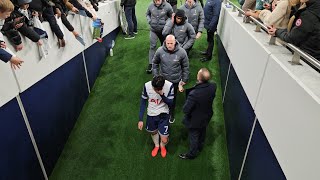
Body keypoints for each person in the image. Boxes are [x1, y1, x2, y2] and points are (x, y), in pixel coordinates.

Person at [179, 68, 216, 159]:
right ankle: (200, 146)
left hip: (195, 119)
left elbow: (185, 110)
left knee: (194, 136)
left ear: (199, 78)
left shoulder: (194, 94)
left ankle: (192, 154)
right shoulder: (213, 86)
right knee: (203, 130)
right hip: (207, 115)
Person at [153, 34, 189, 123]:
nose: (169, 45)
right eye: (168, 43)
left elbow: (186, 67)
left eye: (171, 43)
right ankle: (161, 112)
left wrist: (184, 80)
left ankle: (171, 114)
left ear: (175, 42)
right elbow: (155, 63)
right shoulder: (160, 51)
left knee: (172, 99)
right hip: (163, 81)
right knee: (161, 96)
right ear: (165, 42)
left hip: (175, 81)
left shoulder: (182, 52)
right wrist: (156, 76)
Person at [138, 75, 174, 158]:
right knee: (153, 132)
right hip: (151, 113)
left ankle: (162, 146)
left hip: (164, 114)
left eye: (158, 89)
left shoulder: (170, 86)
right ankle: (157, 146)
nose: (156, 90)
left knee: (164, 139)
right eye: (155, 88)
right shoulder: (147, 86)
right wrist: (140, 119)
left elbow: (171, 103)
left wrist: (162, 94)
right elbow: (143, 102)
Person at [146, 0, 173, 73]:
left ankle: (164, 62)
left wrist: (167, 25)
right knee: (152, 46)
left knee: (164, 46)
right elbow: (147, 14)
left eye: (159, 0)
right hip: (153, 30)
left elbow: (171, 17)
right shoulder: (150, 5)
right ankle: (151, 64)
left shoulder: (167, 6)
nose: (157, 2)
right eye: (156, 0)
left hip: (163, 31)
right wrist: (149, 21)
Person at [0, 0, 24, 69]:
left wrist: (12, 55)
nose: (9, 16)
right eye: (7, 13)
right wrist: (11, 58)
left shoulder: (1, 19)